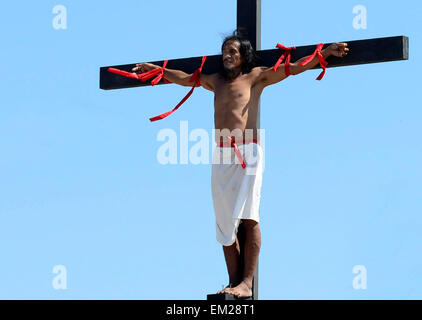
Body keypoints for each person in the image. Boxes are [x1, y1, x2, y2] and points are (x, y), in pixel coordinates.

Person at [132, 32, 349, 298]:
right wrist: (157, 70)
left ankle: (247, 283)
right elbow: (183, 77)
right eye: (225, 50)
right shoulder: (215, 80)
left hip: (248, 149)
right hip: (221, 151)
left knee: (249, 216)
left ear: (243, 55)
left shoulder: (256, 76)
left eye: (233, 50)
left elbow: (294, 68)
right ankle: (234, 284)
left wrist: (324, 53)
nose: (227, 54)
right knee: (224, 225)